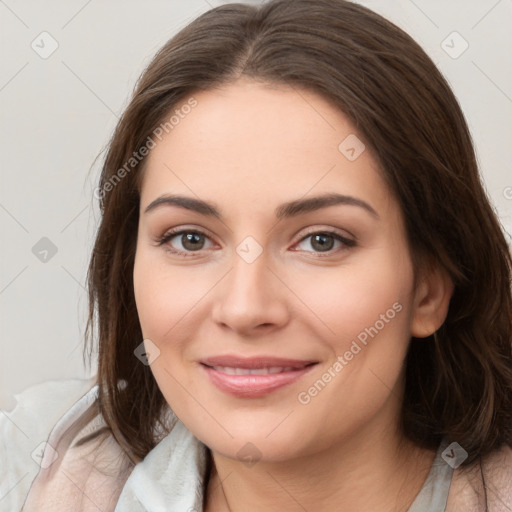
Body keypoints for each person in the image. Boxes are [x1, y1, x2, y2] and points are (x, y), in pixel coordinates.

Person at [2, 0, 511, 511]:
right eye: (190, 239)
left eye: (322, 241)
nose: (245, 309)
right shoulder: (28, 467)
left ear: (429, 288)